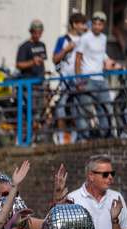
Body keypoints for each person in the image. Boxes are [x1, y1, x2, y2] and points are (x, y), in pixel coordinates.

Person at [75, 11, 118, 138]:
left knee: (106, 109)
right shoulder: (85, 38)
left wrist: (110, 62)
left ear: (103, 25)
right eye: (95, 24)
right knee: (85, 111)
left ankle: (105, 136)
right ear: (92, 24)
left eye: (100, 24)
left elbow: (101, 54)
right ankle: (83, 138)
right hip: (87, 78)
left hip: (101, 78)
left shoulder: (104, 38)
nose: (97, 26)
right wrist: (79, 79)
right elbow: (78, 58)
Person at [53, 12, 88, 145]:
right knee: (61, 107)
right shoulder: (63, 40)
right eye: (81, 24)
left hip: (80, 79)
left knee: (77, 108)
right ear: (74, 24)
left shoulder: (85, 39)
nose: (84, 26)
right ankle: (62, 137)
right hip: (65, 80)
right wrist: (66, 49)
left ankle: (76, 136)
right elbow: (55, 59)